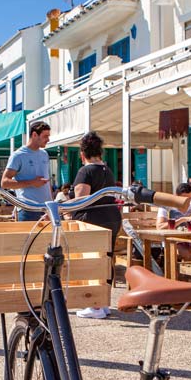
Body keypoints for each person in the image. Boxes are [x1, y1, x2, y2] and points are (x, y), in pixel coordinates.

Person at [71, 131, 122, 319]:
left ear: (82, 154)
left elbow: (81, 199)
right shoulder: (107, 170)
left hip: (92, 219)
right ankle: (103, 302)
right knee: (106, 259)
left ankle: (94, 306)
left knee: (91, 261)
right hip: (112, 217)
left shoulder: (85, 171)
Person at [1, 121, 52, 221]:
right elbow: (4, 183)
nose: (48, 139)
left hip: (46, 209)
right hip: (27, 210)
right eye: (45, 136)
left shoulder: (44, 154)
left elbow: (47, 183)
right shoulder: (18, 155)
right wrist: (32, 182)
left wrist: (51, 204)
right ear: (34, 135)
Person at [156, 182, 191, 261]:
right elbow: (159, 227)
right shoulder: (167, 207)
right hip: (173, 241)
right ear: (176, 196)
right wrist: (183, 219)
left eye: (189, 198)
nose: (187, 202)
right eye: (183, 199)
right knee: (190, 253)